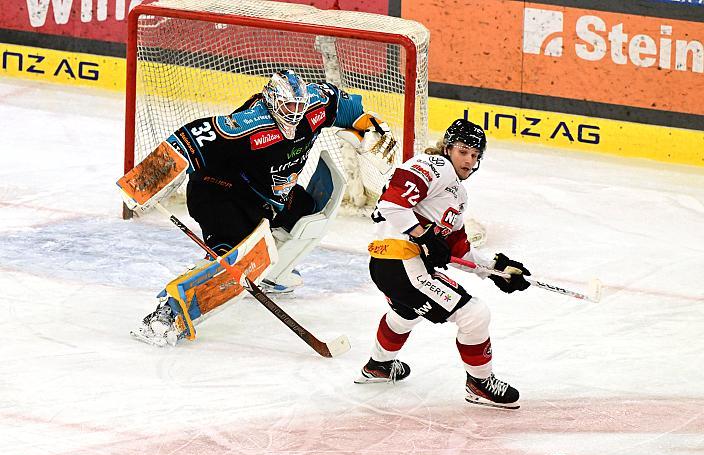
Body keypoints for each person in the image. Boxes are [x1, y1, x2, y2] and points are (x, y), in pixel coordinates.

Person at [132, 69, 396, 347]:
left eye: (299, 106)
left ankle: (272, 274)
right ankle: (167, 315)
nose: (294, 113)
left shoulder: (317, 104)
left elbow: (351, 109)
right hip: (220, 191)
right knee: (231, 256)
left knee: (310, 215)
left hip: (268, 194)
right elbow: (190, 136)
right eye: (287, 106)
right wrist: (144, 180)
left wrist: (372, 126)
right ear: (271, 101)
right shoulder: (248, 123)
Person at [355, 118, 531, 409]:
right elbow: (391, 205)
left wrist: (497, 271)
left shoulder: (456, 194)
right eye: (464, 151)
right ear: (448, 148)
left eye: (476, 155)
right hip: (400, 260)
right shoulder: (434, 166)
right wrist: (422, 234)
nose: (469, 160)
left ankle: (379, 366)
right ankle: (480, 384)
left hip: (395, 265)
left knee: (406, 312)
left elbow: (457, 250)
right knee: (474, 315)